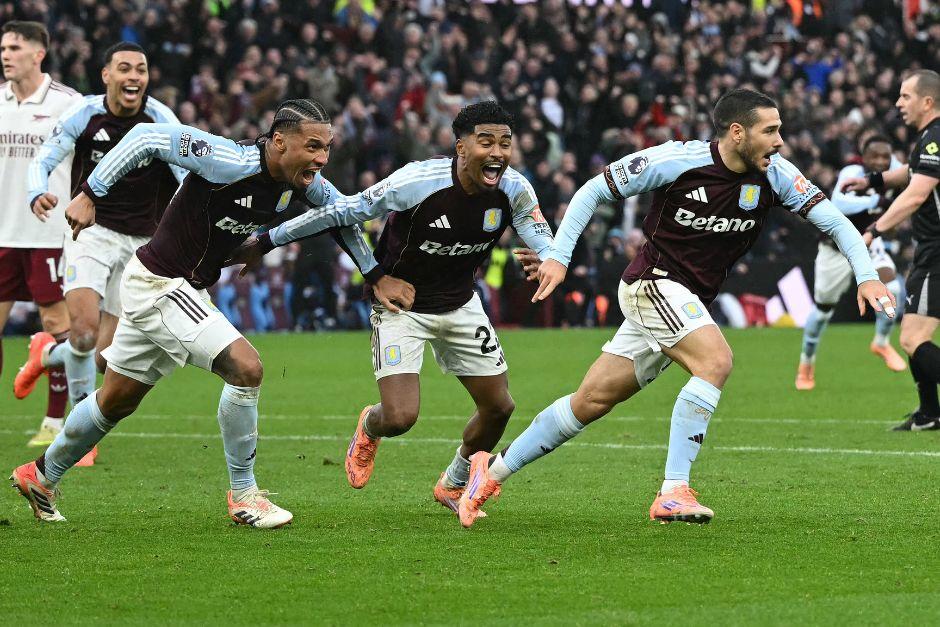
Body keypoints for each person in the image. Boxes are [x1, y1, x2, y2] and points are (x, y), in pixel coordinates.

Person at [456, 89, 895, 528]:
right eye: (771, 131)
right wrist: (559, 256)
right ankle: (673, 490)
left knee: (590, 400)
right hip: (654, 283)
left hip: (683, 298)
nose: (780, 141)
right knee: (716, 361)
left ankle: (488, 474)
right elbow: (593, 190)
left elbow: (836, 221)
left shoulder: (776, 175)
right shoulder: (676, 161)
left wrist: (867, 274)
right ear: (737, 132)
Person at [9, 99, 415, 527]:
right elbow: (148, 137)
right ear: (279, 141)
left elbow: (341, 213)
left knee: (116, 400)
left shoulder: (303, 181)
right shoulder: (228, 159)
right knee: (247, 368)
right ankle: (244, 495)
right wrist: (92, 192)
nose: (321, 158)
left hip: (177, 287)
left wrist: (373, 272)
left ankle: (40, 475)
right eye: (313, 146)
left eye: (327, 148)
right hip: (160, 284)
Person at [230, 101, 553, 517]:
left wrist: (551, 259)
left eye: (505, 144)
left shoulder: (515, 189)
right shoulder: (417, 181)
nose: (497, 153)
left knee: (500, 408)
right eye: (485, 142)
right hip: (403, 305)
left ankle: (454, 483)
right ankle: (369, 426)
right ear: (460, 147)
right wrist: (266, 241)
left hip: (460, 303)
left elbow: (541, 235)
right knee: (400, 417)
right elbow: (340, 212)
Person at [17, 42, 184, 462]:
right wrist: (37, 190)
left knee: (104, 358)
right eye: (124, 68)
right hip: (89, 233)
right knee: (85, 330)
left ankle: (46, 352)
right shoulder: (84, 114)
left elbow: (187, 179)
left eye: (141, 70)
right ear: (106, 75)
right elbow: (44, 158)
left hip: (141, 246)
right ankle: (78, 431)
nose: (134, 77)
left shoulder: (161, 120)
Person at [842, 70, 940, 431]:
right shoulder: (928, 140)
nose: (899, 103)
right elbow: (910, 176)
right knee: (916, 337)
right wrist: (872, 179)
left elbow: (916, 194)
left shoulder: (935, 139)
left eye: (905, 97)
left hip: (937, 252)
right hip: (930, 251)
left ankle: (931, 412)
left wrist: (873, 229)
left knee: (913, 339)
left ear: (927, 102)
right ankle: (930, 414)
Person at [0, 21, 81, 447]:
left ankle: (54, 422)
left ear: (38, 54)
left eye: (14, 47)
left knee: (56, 324)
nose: (5, 54)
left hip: (50, 232)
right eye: (3, 48)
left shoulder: (68, 104)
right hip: (2, 232)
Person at [795, 135, 907, 390]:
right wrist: (876, 201)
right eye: (874, 156)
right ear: (863, 157)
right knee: (823, 311)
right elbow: (840, 203)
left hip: (868, 244)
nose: (879, 161)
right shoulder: (853, 171)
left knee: (894, 289)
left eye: (884, 157)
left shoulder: (895, 171)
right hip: (835, 248)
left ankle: (881, 342)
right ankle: (806, 362)